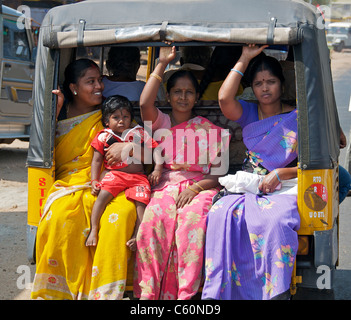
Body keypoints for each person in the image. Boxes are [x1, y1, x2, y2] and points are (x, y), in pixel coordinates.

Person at [31, 59, 137, 300]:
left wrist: (129, 147)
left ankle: (103, 293)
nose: (99, 86)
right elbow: (45, 153)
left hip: (112, 181)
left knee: (117, 215)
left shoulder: (108, 115)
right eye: (91, 82)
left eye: (100, 80)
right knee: (60, 216)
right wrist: (55, 111)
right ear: (73, 87)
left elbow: (139, 140)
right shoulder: (60, 114)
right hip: (70, 183)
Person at [130, 46, 230, 300]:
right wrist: (162, 64)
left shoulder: (213, 132)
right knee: (152, 224)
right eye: (177, 92)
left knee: (192, 223)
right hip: (165, 186)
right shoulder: (161, 122)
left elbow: (219, 175)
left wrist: (194, 189)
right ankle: (149, 295)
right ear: (168, 95)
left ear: (197, 97)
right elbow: (144, 102)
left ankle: (186, 295)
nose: (183, 97)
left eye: (188, 93)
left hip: (202, 188)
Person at [202, 44, 300, 300]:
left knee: (277, 222)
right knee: (220, 213)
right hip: (249, 184)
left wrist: (281, 173)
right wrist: (245, 57)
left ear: (282, 84)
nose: (265, 88)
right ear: (252, 88)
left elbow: (312, 165)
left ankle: (276, 292)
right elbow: (224, 99)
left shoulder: (299, 118)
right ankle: (223, 293)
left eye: (271, 82)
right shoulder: (249, 114)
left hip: (285, 186)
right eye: (258, 83)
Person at [86, 95, 162, 248]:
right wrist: (94, 180)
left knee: (141, 203)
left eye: (125, 116)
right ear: (107, 121)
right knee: (102, 198)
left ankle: (137, 235)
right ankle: (93, 230)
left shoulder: (139, 133)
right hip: (115, 175)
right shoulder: (104, 136)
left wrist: (157, 169)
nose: (121, 120)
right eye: (116, 117)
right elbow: (96, 160)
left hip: (138, 177)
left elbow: (156, 150)